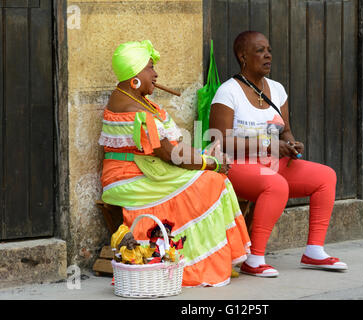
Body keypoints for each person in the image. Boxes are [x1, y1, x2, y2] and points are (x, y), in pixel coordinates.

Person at [99, 40, 250, 287]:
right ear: (134, 76)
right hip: (129, 179)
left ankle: (214, 259)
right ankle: (195, 264)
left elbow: (173, 148)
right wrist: (210, 163)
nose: (155, 73)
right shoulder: (134, 107)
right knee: (211, 181)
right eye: (150, 67)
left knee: (213, 179)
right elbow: (170, 154)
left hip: (146, 171)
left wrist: (203, 156)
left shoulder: (137, 99)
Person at [209, 31, 348, 277]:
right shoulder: (228, 92)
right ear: (243, 56)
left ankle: (314, 251)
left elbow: (287, 131)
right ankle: (255, 258)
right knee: (276, 184)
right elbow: (220, 141)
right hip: (237, 166)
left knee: (325, 176)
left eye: (269, 50)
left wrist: (292, 145)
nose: (268, 55)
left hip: (273, 163)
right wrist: (268, 146)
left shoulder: (277, 89)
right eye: (260, 50)